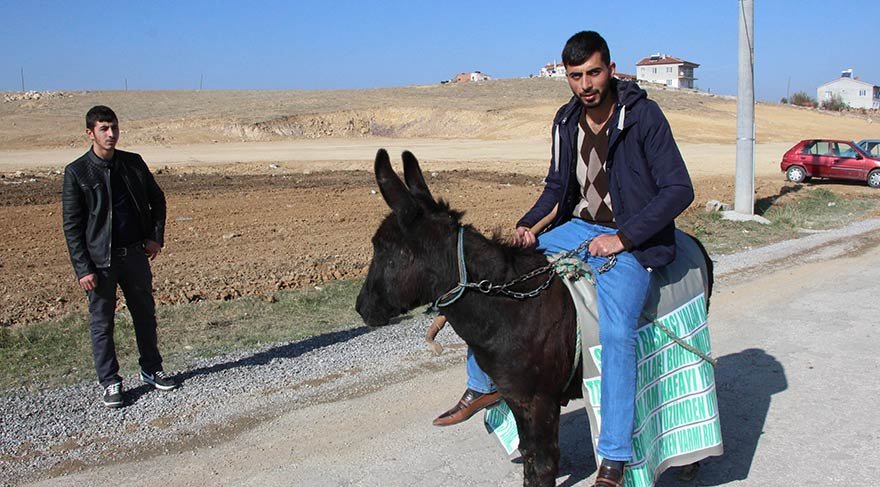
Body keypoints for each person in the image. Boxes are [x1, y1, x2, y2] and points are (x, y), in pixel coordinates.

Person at [438, 31, 694, 487]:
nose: (585, 84)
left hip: (630, 238)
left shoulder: (644, 117)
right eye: (575, 76)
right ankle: (481, 384)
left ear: (611, 70)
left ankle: (614, 458)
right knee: (500, 273)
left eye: (593, 73)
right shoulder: (566, 120)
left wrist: (624, 238)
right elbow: (558, 190)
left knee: (617, 334)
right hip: (577, 227)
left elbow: (679, 189)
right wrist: (527, 226)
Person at [62, 105, 177, 409]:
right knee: (102, 323)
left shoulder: (133, 163)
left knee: (145, 315)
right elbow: (72, 225)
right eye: (103, 128)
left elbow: (157, 200)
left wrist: (155, 237)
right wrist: (83, 267)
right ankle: (110, 382)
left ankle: (151, 369)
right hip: (100, 263)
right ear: (90, 133)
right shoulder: (77, 172)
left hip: (135, 255)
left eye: (113, 127)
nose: (111, 134)